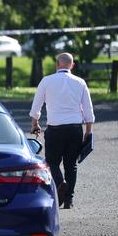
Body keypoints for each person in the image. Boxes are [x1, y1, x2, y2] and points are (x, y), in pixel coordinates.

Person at [29, 52, 95, 209]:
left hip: (55, 129)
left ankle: (60, 183)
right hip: (74, 129)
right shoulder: (80, 82)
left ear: (57, 64)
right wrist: (88, 131)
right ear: (72, 65)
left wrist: (35, 123)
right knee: (71, 165)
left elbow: (37, 105)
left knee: (52, 162)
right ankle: (69, 199)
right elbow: (88, 109)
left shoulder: (47, 81)